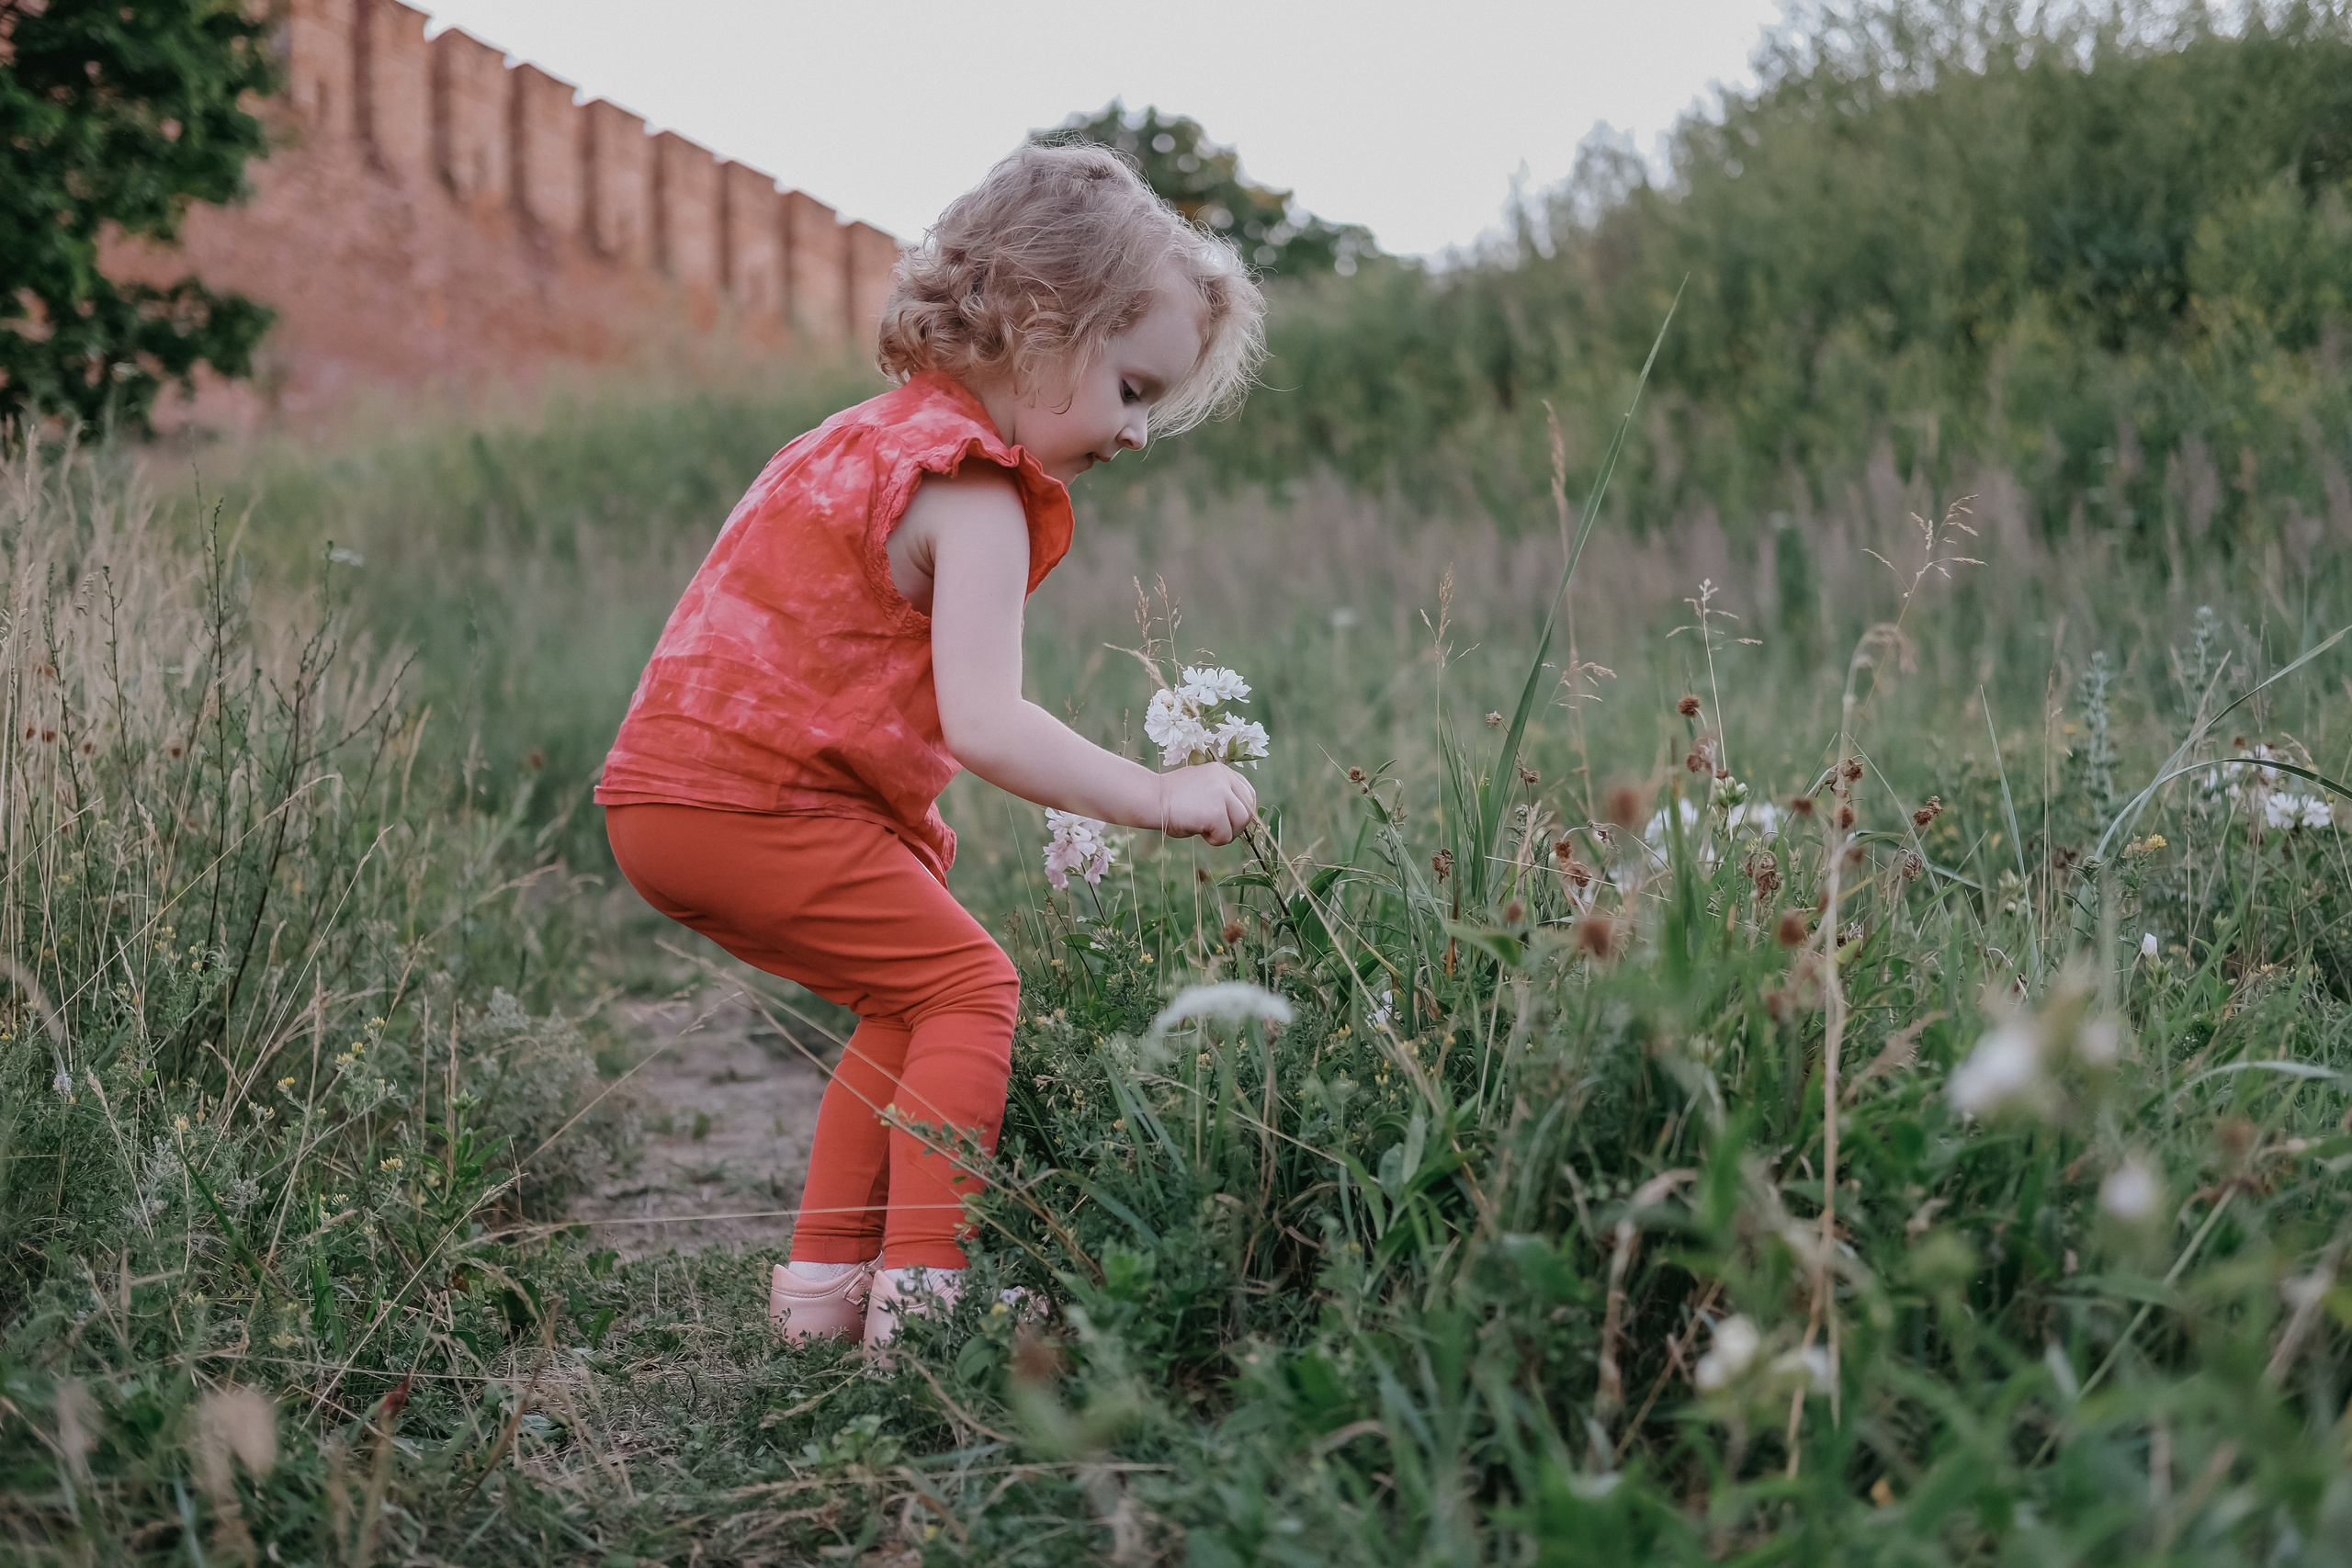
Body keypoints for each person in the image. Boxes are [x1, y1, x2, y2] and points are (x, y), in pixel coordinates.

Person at [597, 143, 1267, 1350]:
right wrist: (1159, 796)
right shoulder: (974, 488)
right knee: (972, 985)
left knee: (901, 1004)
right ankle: (928, 1305)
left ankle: (821, 1303)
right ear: (1038, 322)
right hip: (758, 804)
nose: (1137, 432)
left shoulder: (851, 441)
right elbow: (987, 720)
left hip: (670, 800)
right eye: (1130, 388)